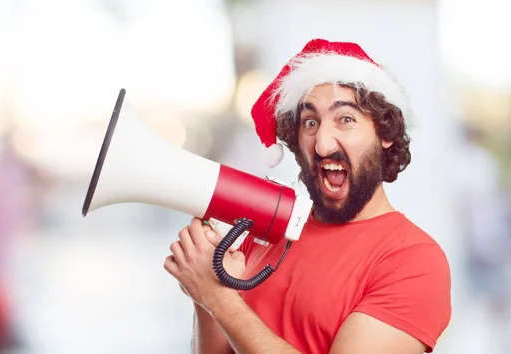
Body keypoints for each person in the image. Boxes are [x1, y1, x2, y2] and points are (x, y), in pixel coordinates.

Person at [163, 38, 452, 354]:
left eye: (345, 119)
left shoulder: (414, 260)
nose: (323, 144)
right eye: (310, 122)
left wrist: (219, 297)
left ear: (384, 134)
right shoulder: (264, 232)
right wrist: (205, 293)